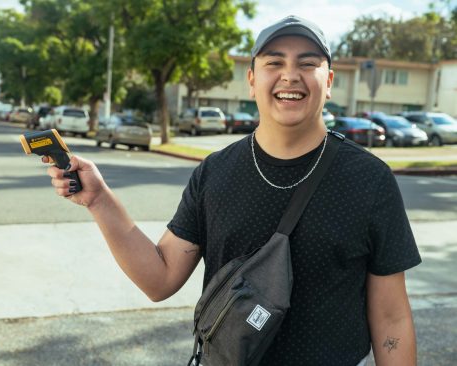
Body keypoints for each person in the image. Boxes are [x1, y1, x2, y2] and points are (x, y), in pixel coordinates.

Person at [44, 15, 421, 366]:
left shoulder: (370, 180)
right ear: (253, 80)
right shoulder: (215, 173)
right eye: (274, 63)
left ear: (330, 81)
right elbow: (159, 279)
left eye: (307, 64)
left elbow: (391, 317)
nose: (291, 76)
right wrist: (99, 200)